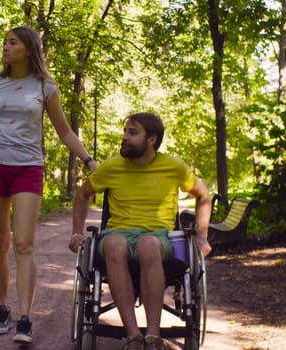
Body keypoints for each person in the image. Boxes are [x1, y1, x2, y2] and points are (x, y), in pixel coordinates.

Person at [0, 26, 97, 345]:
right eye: (5, 43)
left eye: (12, 43)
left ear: (28, 48)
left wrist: (89, 160)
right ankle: (2, 308)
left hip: (28, 168)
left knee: (23, 242)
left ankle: (25, 317)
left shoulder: (45, 87)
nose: (6, 48)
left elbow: (65, 132)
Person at [69, 112, 212, 350]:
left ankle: (153, 337)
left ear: (151, 139)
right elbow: (83, 194)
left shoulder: (173, 167)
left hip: (157, 237)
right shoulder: (111, 167)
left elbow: (203, 195)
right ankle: (133, 336)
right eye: (125, 131)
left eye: (132, 132)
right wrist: (76, 232)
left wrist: (202, 234)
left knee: (148, 244)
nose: (124, 137)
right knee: (115, 243)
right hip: (117, 235)